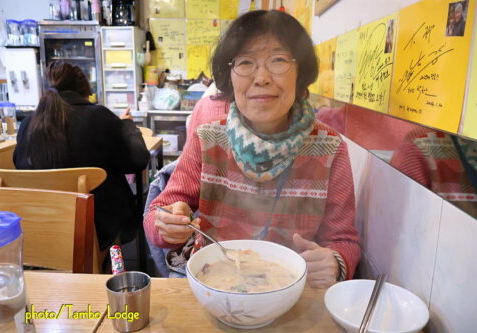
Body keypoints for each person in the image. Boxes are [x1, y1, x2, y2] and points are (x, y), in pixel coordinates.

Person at [144, 10, 360, 288]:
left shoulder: (329, 148)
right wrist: (167, 223)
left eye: (278, 60)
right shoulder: (209, 138)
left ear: (301, 72)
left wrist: (335, 260)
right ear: (230, 75)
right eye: (246, 62)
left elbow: (345, 241)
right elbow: (156, 214)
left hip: (290, 290)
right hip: (213, 281)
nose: (262, 77)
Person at [14, 61, 150, 253]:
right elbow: (138, 160)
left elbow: (18, 165)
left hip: (39, 226)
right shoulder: (99, 117)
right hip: (97, 229)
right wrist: (127, 126)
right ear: (85, 89)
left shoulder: (28, 124)